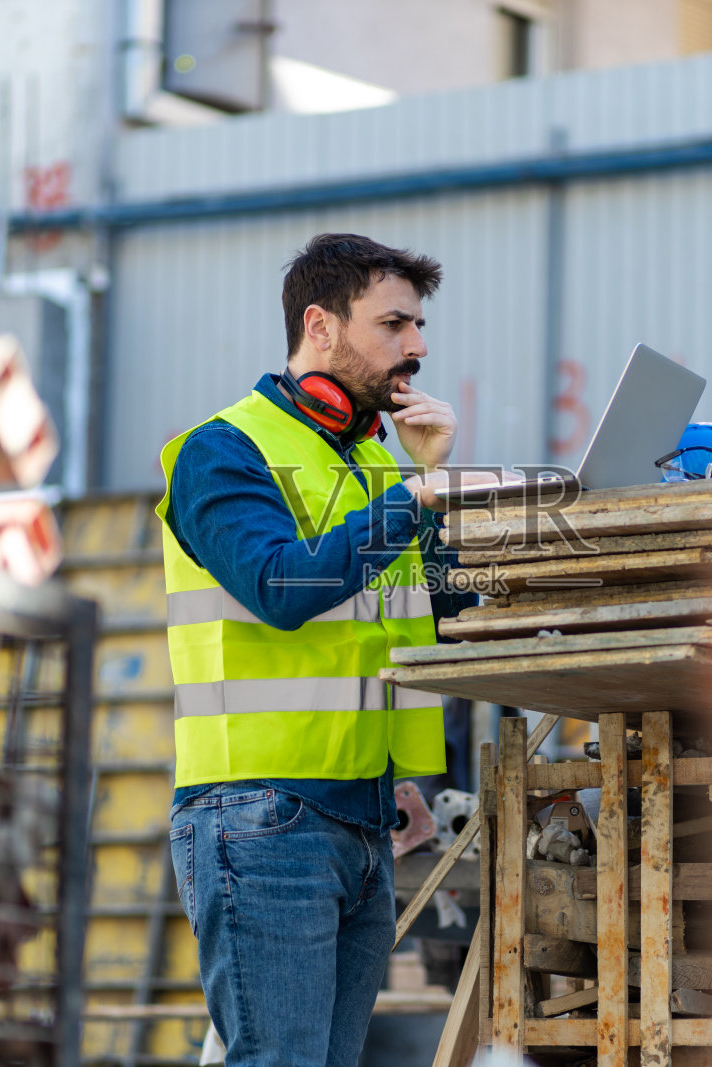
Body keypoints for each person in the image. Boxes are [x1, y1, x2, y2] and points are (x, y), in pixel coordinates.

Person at [155, 233, 482, 1067]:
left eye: (418, 325)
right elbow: (281, 588)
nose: (418, 347)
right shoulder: (221, 452)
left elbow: (432, 610)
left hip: (363, 817)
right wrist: (413, 498)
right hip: (263, 816)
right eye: (394, 324)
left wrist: (434, 496)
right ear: (321, 326)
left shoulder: (378, 462)